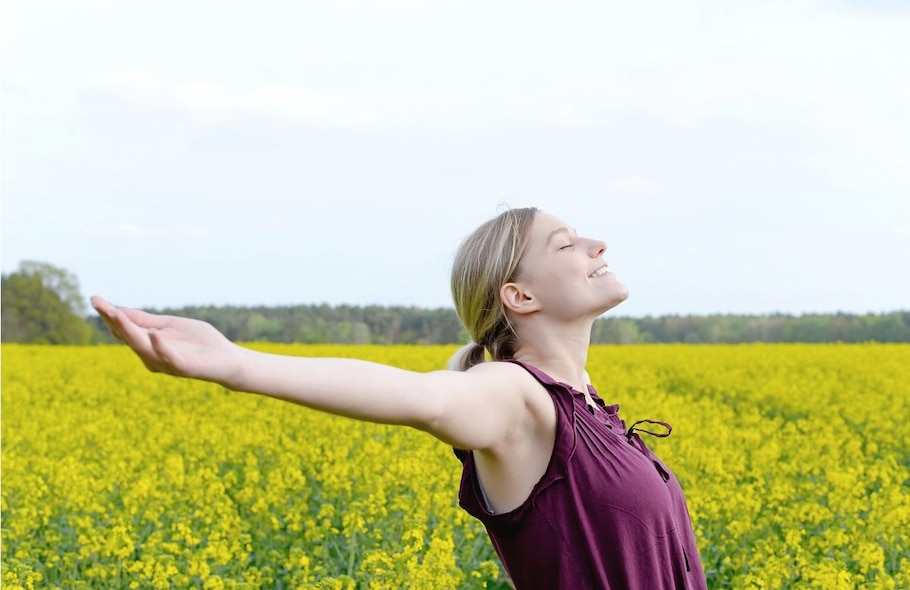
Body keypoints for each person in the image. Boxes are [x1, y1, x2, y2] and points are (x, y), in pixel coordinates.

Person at [92, 206, 708, 590]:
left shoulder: (590, 406)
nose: (597, 245)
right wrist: (237, 364)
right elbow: (424, 398)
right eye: (566, 244)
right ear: (519, 297)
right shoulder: (517, 397)